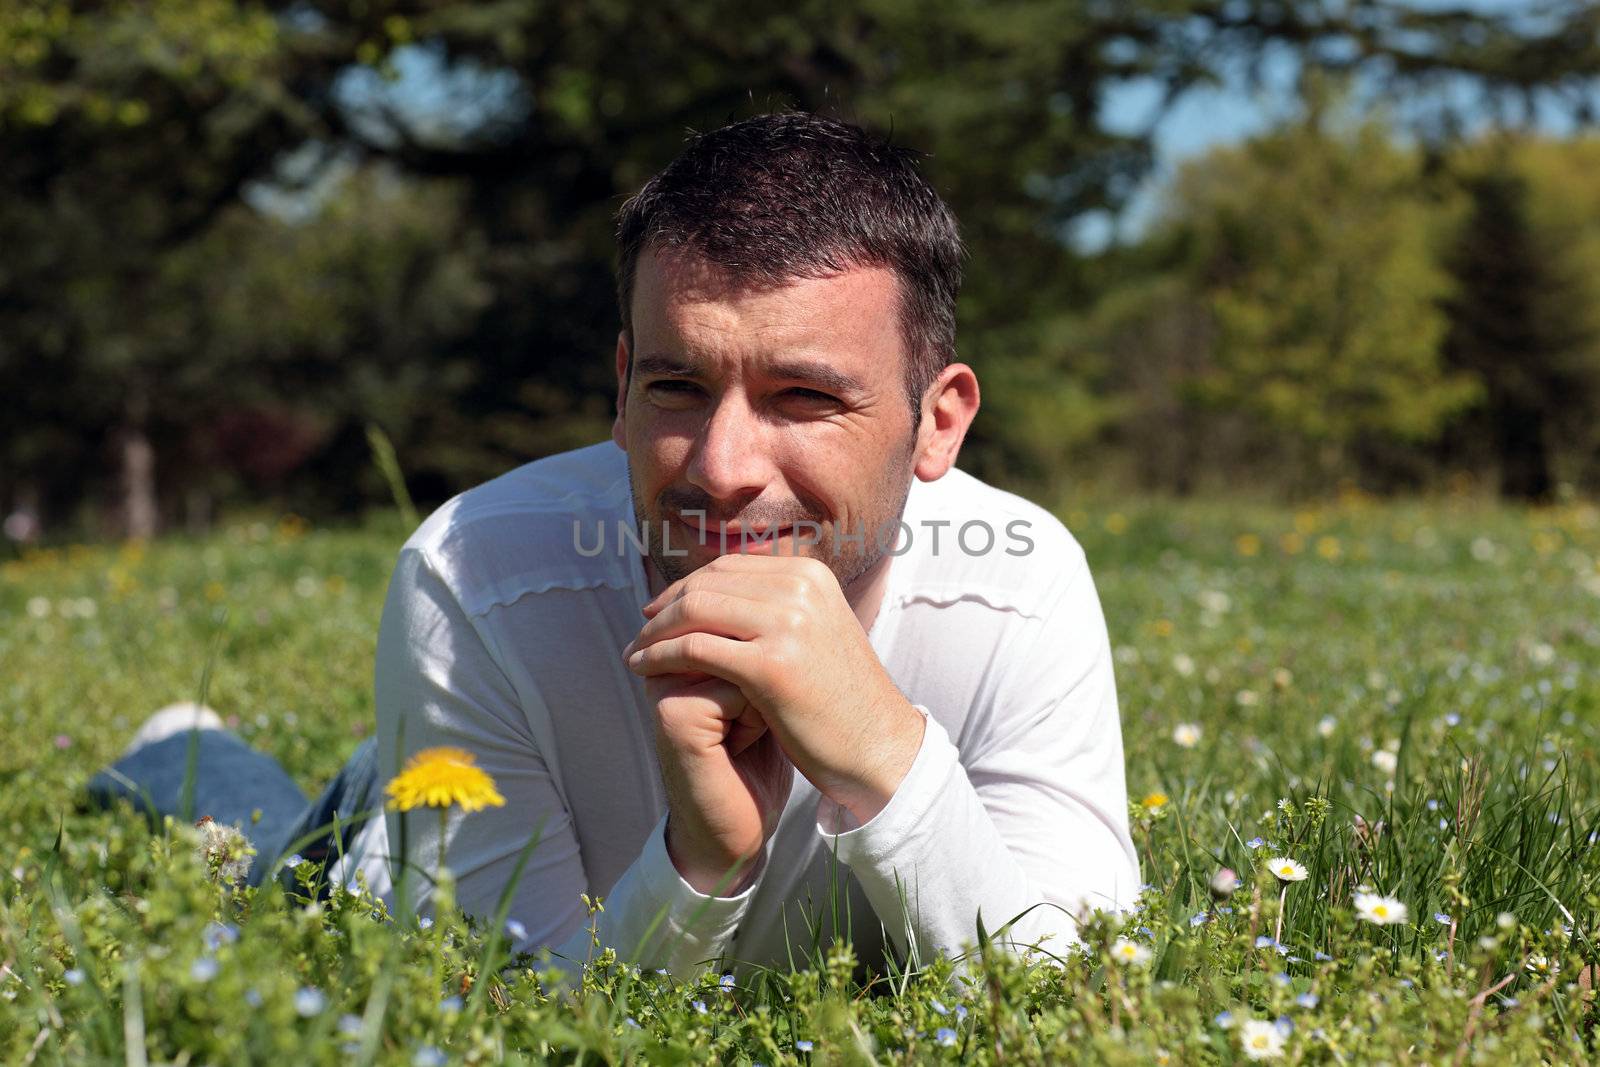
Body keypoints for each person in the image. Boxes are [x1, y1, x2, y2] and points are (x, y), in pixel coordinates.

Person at [91, 110, 1139, 985]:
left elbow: (1074, 992)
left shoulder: (1020, 588)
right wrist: (699, 863)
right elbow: (509, 1008)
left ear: (938, 421)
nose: (723, 464)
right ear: (622, 386)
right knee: (264, 854)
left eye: (806, 397)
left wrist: (889, 759)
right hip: (428, 820)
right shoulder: (475, 578)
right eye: (677, 387)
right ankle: (183, 752)